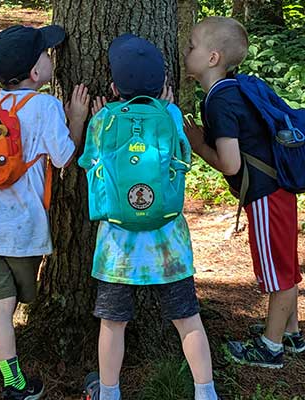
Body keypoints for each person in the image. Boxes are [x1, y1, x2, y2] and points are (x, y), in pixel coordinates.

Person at [79, 33, 220, 400]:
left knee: (112, 322)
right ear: (164, 86)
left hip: (117, 249)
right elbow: (185, 158)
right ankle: (205, 392)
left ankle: (110, 392)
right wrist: (166, 112)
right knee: (188, 319)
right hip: (168, 245)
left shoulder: (105, 120)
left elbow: (87, 163)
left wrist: (98, 121)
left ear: (112, 85)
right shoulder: (170, 114)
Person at [0, 25, 90, 400]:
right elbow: (65, 157)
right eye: (45, 55)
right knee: (5, 304)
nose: (51, 58)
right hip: (22, 228)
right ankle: (15, 384)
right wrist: (76, 119)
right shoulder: (46, 105)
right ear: (35, 74)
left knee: (4, 300)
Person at [184, 16, 304, 368]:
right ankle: (291, 333)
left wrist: (196, 145)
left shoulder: (220, 101)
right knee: (283, 265)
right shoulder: (233, 89)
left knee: (279, 273)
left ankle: (271, 347)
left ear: (212, 58)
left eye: (192, 46)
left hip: (267, 196)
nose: (186, 51)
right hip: (277, 192)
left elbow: (231, 164)